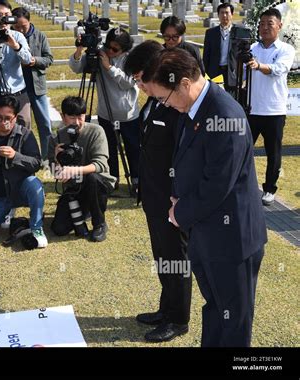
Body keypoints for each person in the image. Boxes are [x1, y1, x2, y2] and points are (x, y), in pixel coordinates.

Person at [144, 48, 267, 347]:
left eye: (165, 98)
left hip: (232, 239)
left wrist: (180, 211)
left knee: (232, 320)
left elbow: (217, 183)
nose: (166, 105)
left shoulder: (225, 115)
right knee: (214, 309)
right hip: (208, 232)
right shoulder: (194, 109)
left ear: (184, 84)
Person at [124, 41, 192, 342]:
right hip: (153, 196)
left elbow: (183, 156)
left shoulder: (176, 106)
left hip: (171, 199)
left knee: (176, 258)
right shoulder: (153, 101)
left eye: (141, 77)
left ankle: (178, 319)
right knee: (162, 256)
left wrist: (177, 199)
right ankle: (166, 308)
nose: (140, 84)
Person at [69, 27, 140, 193]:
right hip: (105, 114)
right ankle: (111, 178)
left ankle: (137, 179)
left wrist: (109, 67)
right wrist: (79, 50)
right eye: (108, 46)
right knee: (109, 149)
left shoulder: (131, 59)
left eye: (115, 49)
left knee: (133, 148)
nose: (110, 51)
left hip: (128, 115)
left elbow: (128, 82)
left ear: (125, 49)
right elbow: (77, 68)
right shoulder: (99, 54)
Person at [0, 95, 47, 247]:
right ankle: (8, 214)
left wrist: (15, 156)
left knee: (35, 184)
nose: (3, 122)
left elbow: (36, 163)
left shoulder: (25, 134)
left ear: (15, 118)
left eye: (7, 118)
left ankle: (36, 228)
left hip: (21, 189)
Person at [48, 96, 116, 242]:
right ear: (63, 117)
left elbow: (101, 165)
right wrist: (56, 159)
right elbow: (54, 172)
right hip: (74, 188)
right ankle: (85, 210)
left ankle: (99, 224)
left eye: (80, 116)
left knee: (93, 178)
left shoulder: (96, 131)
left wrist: (74, 171)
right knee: (59, 229)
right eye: (72, 117)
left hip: (98, 183)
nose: (77, 122)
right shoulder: (56, 138)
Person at [246, 8, 295, 206]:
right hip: (252, 108)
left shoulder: (286, 50)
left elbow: (278, 69)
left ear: (279, 26)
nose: (264, 28)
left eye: (270, 24)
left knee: (273, 153)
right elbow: (242, 75)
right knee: (244, 149)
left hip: (274, 110)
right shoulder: (252, 48)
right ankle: (245, 184)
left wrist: (259, 66)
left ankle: (269, 189)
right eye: (262, 24)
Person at [12, 7, 53, 162]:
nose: (21, 30)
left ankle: (47, 157)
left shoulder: (40, 36)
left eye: (24, 26)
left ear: (29, 22)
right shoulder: (9, 37)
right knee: (21, 125)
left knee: (44, 124)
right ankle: (24, 156)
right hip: (18, 88)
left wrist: (35, 61)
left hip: (37, 87)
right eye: (17, 27)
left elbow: (49, 59)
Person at [203, 2, 235, 92]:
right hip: (215, 72)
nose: (224, 15)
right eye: (222, 13)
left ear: (232, 14)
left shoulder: (238, 32)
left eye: (227, 13)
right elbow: (206, 55)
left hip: (231, 72)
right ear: (218, 15)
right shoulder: (210, 33)